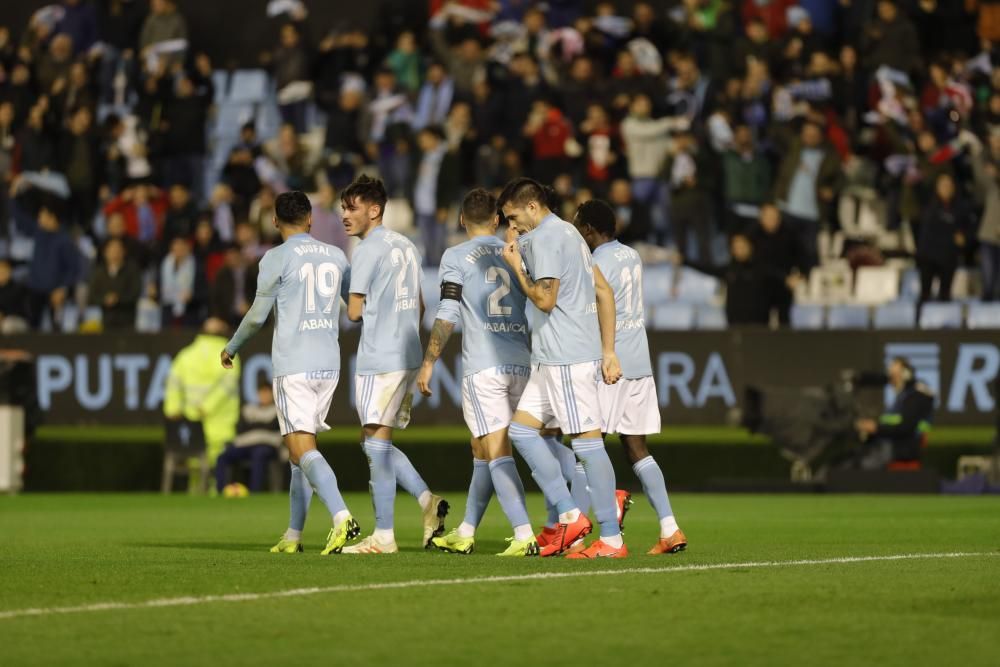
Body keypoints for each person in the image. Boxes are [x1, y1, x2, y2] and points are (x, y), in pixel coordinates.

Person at [221, 190, 359, 556]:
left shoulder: (275, 258)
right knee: (301, 454)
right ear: (311, 219)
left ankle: (342, 516)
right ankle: (294, 535)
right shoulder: (336, 255)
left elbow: (256, 317)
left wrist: (231, 347)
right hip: (329, 364)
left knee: (300, 447)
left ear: (274, 221)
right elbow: (356, 307)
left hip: (294, 364)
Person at [498, 177, 626, 559]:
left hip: (566, 357)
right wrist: (608, 350)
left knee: (588, 444)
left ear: (533, 207)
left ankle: (611, 537)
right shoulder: (570, 233)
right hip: (552, 357)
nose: (513, 225)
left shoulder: (546, 239)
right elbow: (603, 290)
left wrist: (517, 266)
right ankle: (570, 513)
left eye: (514, 216)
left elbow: (545, 299)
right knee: (521, 432)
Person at [416, 188, 538, 557]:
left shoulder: (455, 256)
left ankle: (524, 533)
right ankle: (467, 530)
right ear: (498, 219)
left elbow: (449, 312)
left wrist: (429, 361)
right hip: (521, 358)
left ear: (461, 220)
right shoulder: (514, 253)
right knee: (481, 448)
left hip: (484, 366)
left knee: (496, 448)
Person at [339, 175, 447, 554]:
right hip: (407, 354)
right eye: (343, 208)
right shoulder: (408, 245)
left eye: (352, 208)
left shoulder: (366, 250)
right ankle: (425, 502)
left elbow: (353, 312)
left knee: (375, 444)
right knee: (375, 439)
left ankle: (384, 535)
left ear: (374, 210)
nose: (345, 216)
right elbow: (419, 305)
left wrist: (341, 285)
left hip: (380, 357)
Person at [573, 199, 687, 555]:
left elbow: (592, 311)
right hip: (640, 364)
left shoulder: (595, 261)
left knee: (586, 448)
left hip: (612, 365)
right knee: (637, 449)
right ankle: (670, 527)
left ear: (590, 230)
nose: (577, 233)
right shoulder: (631, 256)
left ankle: (579, 533)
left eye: (579, 227)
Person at [164, 318, 240, 491]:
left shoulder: (186, 354)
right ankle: (215, 497)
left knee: (195, 465)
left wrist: (172, 409)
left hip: (192, 421)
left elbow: (173, 384)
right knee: (217, 467)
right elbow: (227, 387)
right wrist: (207, 407)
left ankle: (194, 497)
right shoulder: (230, 354)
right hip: (221, 423)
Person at [854, 358, 934, 470]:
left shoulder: (915, 396)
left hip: (904, 447)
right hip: (889, 444)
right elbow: (889, 423)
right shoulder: (900, 399)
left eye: (894, 375)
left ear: (906, 374)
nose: (891, 380)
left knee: (863, 465)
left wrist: (876, 428)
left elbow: (905, 427)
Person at [214, 382, 283, 494]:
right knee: (222, 456)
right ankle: (221, 491)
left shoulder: (278, 410)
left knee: (259, 454)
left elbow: (273, 426)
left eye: (267, 393)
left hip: (267, 445)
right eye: (262, 393)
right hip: (245, 444)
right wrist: (263, 425)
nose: (264, 396)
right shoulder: (248, 409)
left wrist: (253, 424)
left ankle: (254, 492)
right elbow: (240, 428)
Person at [88, 237, 141, 330]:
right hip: (103, 322)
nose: (115, 253)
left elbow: (135, 292)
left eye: (118, 249)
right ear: (105, 252)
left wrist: (118, 299)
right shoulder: (98, 272)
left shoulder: (132, 270)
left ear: (124, 252)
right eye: (112, 249)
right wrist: (104, 299)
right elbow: (92, 296)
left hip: (127, 321)